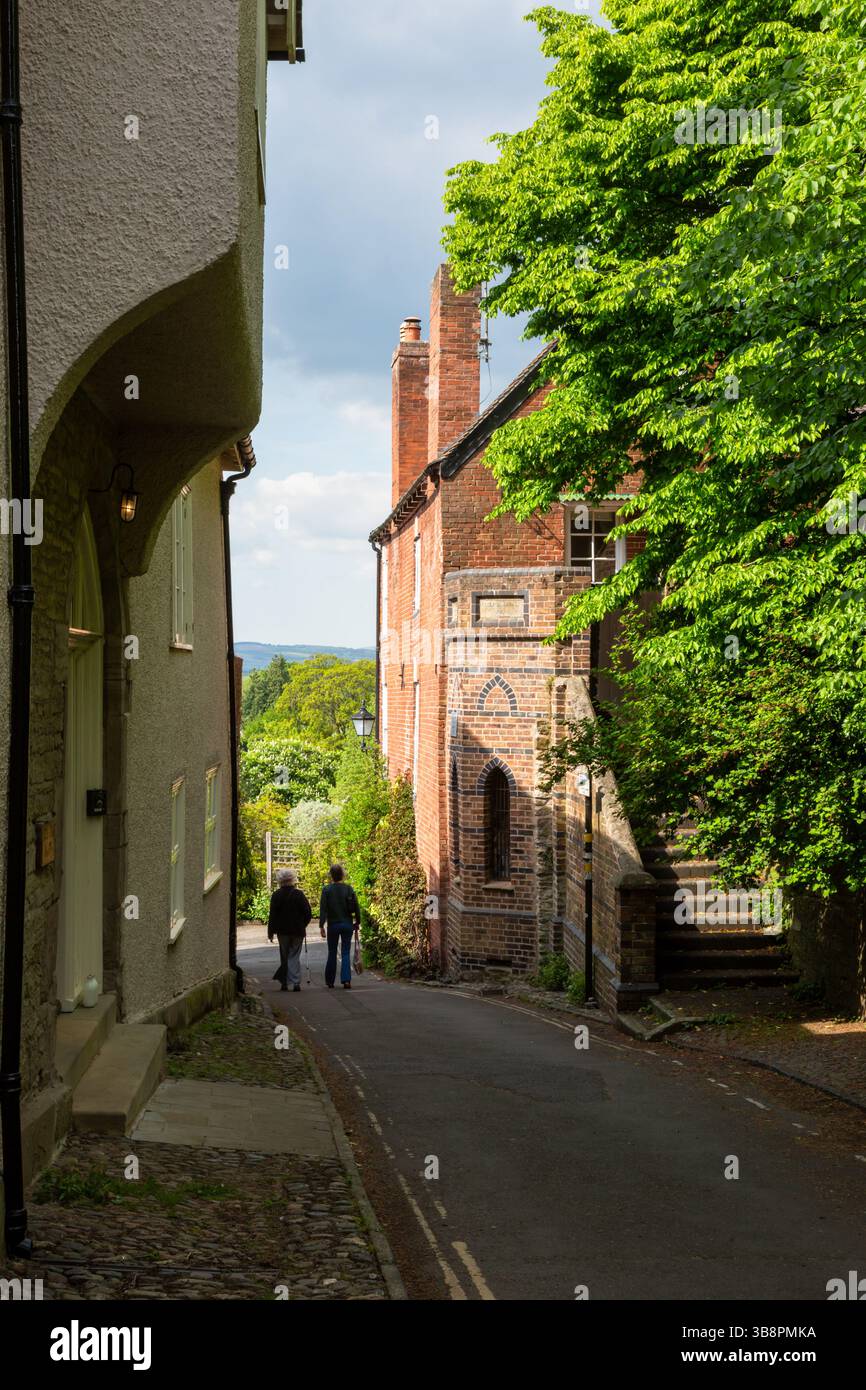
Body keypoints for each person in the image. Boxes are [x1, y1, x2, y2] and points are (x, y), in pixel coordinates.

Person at [267, 868, 312, 992]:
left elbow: (273, 915)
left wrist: (270, 932)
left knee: (284, 956)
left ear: (280, 880)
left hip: (282, 931)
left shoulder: (276, 895)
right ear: (292, 879)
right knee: (294, 956)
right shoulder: (299, 894)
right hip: (298, 930)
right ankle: (296, 982)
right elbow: (308, 912)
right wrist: (303, 924)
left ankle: (285, 983)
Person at [319, 863, 360, 990]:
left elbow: (323, 910)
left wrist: (321, 926)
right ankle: (346, 980)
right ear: (342, 875)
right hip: (347, 924)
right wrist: (357, 922)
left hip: (333, 925)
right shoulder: (349, 889)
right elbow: (356, 906)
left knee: (332, 952)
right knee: (346, 952)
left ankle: (330, 981)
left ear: (331, 875)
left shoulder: (326, 890)